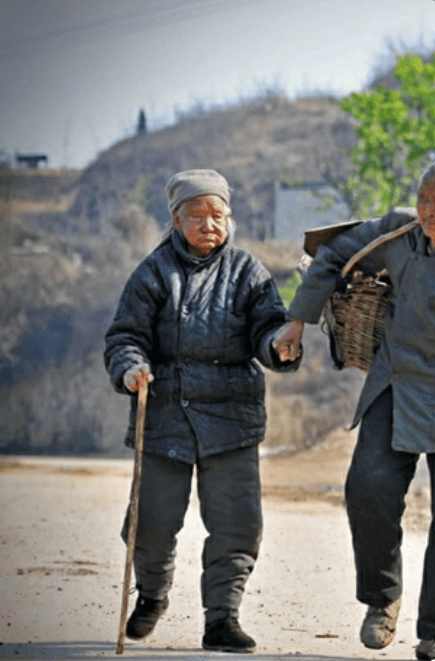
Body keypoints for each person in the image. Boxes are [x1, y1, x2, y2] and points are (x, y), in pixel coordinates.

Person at [273, 157, 435, 661]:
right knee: (366, 490)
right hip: (394, 386)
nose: (429, 212)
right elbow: (333, 255)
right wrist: (297, 321)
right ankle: (382, 598)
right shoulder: (396, 233)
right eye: (423, 199)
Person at [104, 169, 301, 653]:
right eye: (198, 215)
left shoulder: (248, 272)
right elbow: (124, 338)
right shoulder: (152, 273)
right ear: (176, 219)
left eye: (218, 215)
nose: (210, 224)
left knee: (237, 525)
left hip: (231, 417)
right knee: (150, 523)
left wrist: (280, 346)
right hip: (166, 414)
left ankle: (223, 619)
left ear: (229, 217)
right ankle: (151, 595)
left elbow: (269, 329)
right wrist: (131, 368)